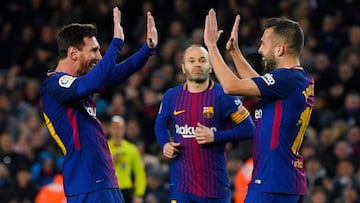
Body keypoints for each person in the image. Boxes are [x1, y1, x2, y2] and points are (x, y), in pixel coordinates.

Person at [40, 7, 158, 203]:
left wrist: (147, 50)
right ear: (73, 53)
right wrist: (116, 44)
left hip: (106, 182)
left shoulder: (81, 84)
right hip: (86, 184)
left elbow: (116, 73)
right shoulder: (54, 84)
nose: (99, 57)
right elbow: (94, 80)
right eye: (94, 51)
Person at [204, 9, 314, 203]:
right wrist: (234, 53)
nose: (260, 50)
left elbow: (232, 87)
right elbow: (256, 85)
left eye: (264, 44)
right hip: (286, 182)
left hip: (272, 183)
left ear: (280, 49)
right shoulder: (299, 79)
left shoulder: (286, 78)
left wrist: (212, 46)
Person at [154, 44, 255, 202]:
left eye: (202, 60)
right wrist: (165, 144)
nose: (197, 64)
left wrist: (216, 136)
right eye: (191, 60)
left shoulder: (225, 95)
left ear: (210, 67)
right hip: (181, 187)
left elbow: (249, 129)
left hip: (215, 188)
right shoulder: (171, 96)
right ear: (183, 67)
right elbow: (160, 125)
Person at [107, 115, 146, 203]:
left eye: (120, 128)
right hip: (109, 191)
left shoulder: (132, 149)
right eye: (115, 128)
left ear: (124, 130)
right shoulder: (104, 148)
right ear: (110, 129)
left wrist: (139, 195)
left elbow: (140, 174)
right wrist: (111, 161)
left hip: (126, 192)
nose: (117, 132)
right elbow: (97, 170)